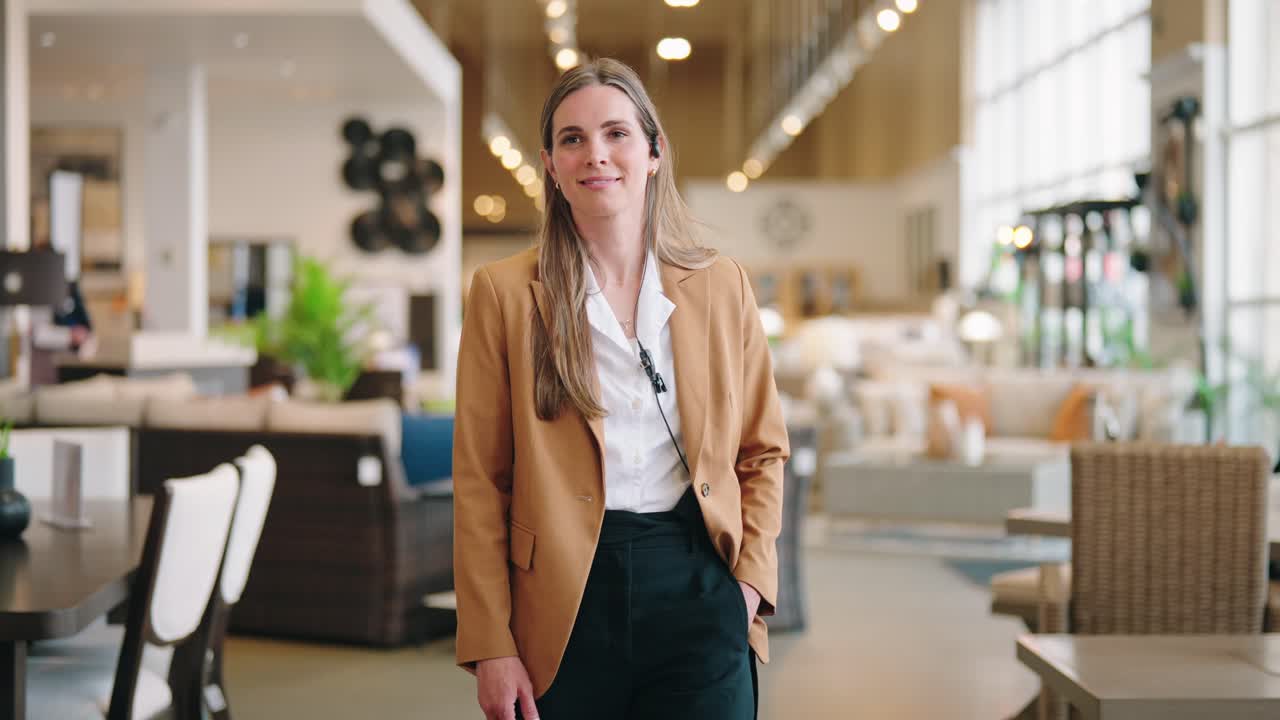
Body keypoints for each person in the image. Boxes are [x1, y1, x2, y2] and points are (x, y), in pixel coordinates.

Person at [453, 57, 789, 720]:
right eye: (572, 139)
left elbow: (762, 452)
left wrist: (748, 584)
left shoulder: (722, 285)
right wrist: (490, 643)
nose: (595, 155)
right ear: (550, 164)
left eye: (616, 134)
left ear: (654, 152)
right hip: (560, 601)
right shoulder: (504, 295)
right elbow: (479, 481)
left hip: (700, 584)